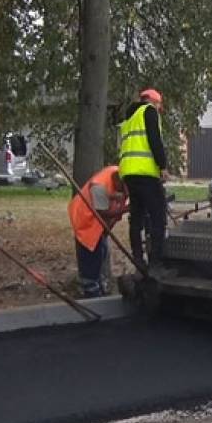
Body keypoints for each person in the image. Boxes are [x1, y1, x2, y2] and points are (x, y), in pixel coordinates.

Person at [119, 89, 169, 268]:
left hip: (129, 174)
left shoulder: (129, 118)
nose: (159, 108)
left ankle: (138, 258)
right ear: (154, 101)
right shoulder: (148, 111)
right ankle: (156, 261)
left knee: (137, 217)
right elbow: (155, 140)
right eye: (159, 104)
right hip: (146, 172)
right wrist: (162, 166)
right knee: (158, 217)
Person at [68, 164, 127, 298]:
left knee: (102, 251)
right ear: (119, 182)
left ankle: (99, 284)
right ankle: (90, 289)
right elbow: (103, 214)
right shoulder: (99, 186)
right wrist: (127, 208)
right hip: (85, 219)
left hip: (99, 220)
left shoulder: (120, 174)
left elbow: (112, 208)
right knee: (90, 253)